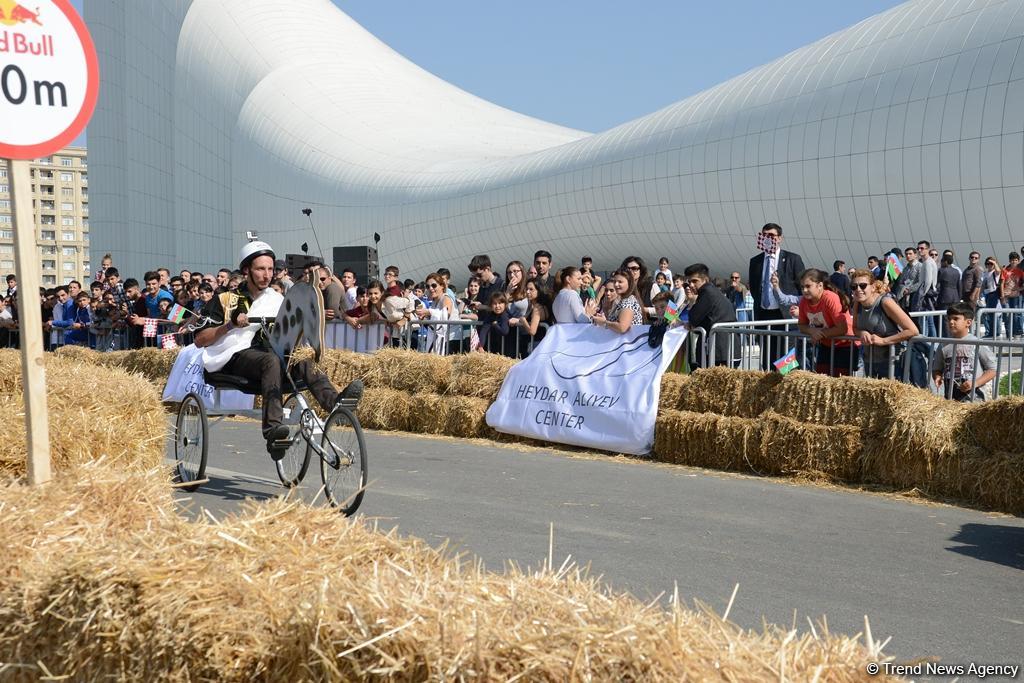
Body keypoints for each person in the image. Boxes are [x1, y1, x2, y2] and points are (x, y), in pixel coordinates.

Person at [194, 240, 363, 457]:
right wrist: (230, 325)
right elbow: (200, 339)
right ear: (247, 270)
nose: (267, 274)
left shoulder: (277, 299)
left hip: (271, 359)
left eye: (270, 269)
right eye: (260, 269)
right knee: (270, 361)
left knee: (302, 359)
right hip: (233, 359)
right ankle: (273, 430)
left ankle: (336, 404)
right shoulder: (225, 299)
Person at [748, 223, 805, 369]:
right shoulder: (755, 261)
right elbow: (755, 288)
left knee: (786, 359)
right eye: (765, 235)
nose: (768, 238)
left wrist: (800, 309)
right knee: (768, 356)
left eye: (772, 235)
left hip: (785, 315)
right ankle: (769, 382)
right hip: (764, 315)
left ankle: (786, 384)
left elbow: (802, 287)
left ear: (780, 238)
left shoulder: (792, 259)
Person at [849, 269, 918, 379]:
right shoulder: (857, 303)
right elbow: (855, 328)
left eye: (863, 286)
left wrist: (883, 341)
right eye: (854, 287)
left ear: (872, 287)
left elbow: (912, 330)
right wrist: (862, 333)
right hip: (870, 362)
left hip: (893, 362)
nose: (858, 290)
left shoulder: (885, 302)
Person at [797, 268, 857, 377]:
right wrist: (812, 331)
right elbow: (801, 325)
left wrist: (820, 334)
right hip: (826, 344)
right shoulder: (803, 302)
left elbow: (842, 328)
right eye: (802, 287)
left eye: (808, 286)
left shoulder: (830, 298)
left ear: (820, 285)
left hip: (845, 344)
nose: (804, 290)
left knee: (840, 381)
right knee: (822, 378)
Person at [932, 302, 996, 401]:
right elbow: (937, 368)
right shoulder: (943, 345)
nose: (951, 322)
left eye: (955, 318)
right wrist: (937, 376)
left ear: (968, 322)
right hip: (951, 399)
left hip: (974, 400)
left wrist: (975, 383)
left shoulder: (977, 343)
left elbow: (992, 369)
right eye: (949, 319)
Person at [683, 263, 738, 367]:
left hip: (720, 353)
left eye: (695, 281)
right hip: (722, 350)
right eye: (689, 281)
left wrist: (691, 301)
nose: (691, 285)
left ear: (705, 280)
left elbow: (693, 318)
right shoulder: (710, 291)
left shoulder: (707, 293)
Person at [593, 269, 643, 333]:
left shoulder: (629, 302)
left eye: (620, 282)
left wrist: (604, 322)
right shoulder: (624, 300)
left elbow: (622, 328)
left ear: (629, 283)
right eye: (615, 281)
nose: (616, 284)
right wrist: (606, 314)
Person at [516, 277, 551, 356]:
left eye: (531, 289)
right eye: (527, 289)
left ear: (539, 291)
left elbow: (532, 331)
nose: (528, 292)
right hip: (541, 344)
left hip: (536, 345)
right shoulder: (539, 306)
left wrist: (523, 321)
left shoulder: (537, 308)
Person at [478, 291, 512, 355]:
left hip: (509, 348)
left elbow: (504, 331)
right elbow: (484, 330)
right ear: (491, 305)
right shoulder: (490, 316)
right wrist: (480, 345)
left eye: (500, 303)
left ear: (505, 304)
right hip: (496, 348)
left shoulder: (505, 315)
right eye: (494, 303)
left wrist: (495, 325)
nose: (497, 306)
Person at [936, 254, 962, 335]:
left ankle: (947, 335)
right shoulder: (956, 271)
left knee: (945, 318)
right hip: (955, 296)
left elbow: (937, 284)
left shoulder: (942, 271)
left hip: (944, 296)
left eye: (942, 261)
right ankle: (954, 333)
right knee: (954, 316)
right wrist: (959, 297)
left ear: (946, 262)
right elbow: (959, 285)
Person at [1000, 252, 1023, 338]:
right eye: (1012, 260)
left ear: (1018, 261)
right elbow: (1002, 284)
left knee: (1016, 315)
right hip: (1006, 296)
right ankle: (1009, 334)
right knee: (1007, 315)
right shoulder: (1005, 270)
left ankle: (1016, 333)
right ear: (1009, 261)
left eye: (1016, 260)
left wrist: (1019, 289)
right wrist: (1002, 296)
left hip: (1016, 296)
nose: (1014, 262)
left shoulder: (1020, 271)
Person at [981, 257, 1001, 338]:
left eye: (991, 264)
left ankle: (994, 332)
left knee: (993, 314)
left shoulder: (994, 272)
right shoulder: (985, 273)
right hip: (987, 294)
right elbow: (982, 285)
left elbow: (998, 271)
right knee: (989, 314)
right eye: (988, 263)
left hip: (994, 293)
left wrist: (994, 262)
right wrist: (979, 294)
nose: (989, 265)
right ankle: (991, 332)